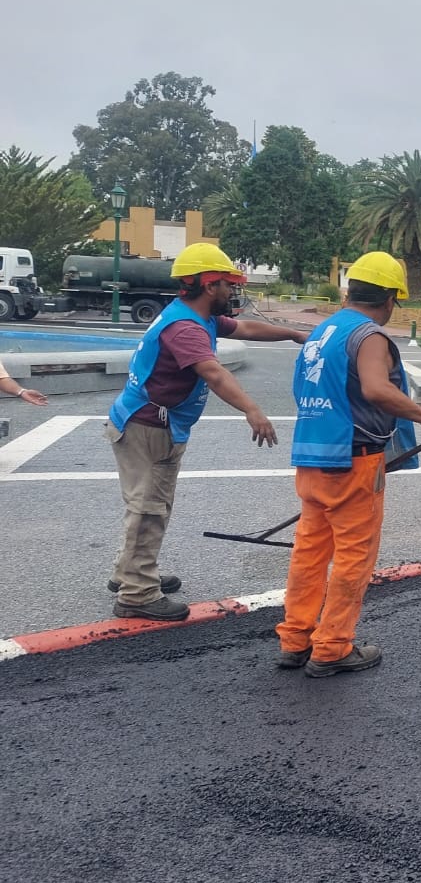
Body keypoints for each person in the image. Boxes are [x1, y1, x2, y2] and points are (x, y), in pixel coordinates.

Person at [107, 243, 307, 620]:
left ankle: (131, 572)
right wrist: (253, 410)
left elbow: (245, 327)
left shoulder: (199, 316)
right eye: (229, 284)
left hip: (147, 421)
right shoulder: (185, 327)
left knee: (147, 503)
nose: (232, 292)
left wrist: (292, 334)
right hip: (148, 427)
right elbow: (214, 373)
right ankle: (136, 593)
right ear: (209, 284)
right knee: (148, 506)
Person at [276, 251, 421, 678]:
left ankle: (295, 639)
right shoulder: (369, 336)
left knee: (309, 552)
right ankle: (333, 647)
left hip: (312, 456)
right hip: (353, 461)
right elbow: (376, 390)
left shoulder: (324, 331)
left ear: (348, 290)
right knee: (354, 556)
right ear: (391, 297)